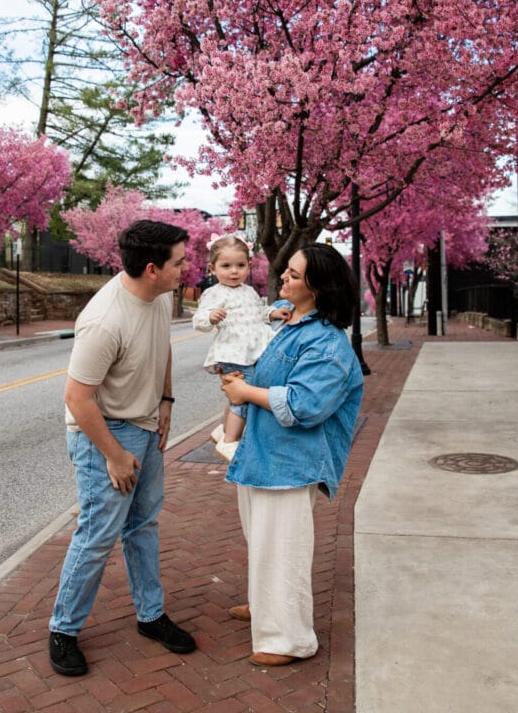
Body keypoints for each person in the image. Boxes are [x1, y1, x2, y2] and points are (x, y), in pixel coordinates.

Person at [48, 219, 197, 677]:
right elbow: (76, 397)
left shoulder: (160, 296)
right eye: (179, 261)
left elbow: (163, 348)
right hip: (105, 435)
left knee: (144, 525)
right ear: (152, 268)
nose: (186, 268)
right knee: (97, 534)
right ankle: (63, 630)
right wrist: (113, 454)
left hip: (147, 426)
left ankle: (150, 615)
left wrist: (166, 400)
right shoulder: (104, 320)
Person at [220, 243, 364, 667]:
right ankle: (265, 606)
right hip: (263, 455)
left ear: (318, 288)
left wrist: (245, 391)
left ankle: (289, 638)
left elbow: (305, 405)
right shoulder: (292, 324)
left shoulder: (327, 344)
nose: (283, 276)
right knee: (263, 541)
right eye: (287, 269)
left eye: (295, 274)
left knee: (283, 548)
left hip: (291, 462)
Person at [192, 234, 290, 460]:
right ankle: (229, 441)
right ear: (212, 268)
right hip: (233, 353)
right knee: (243, 397)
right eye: (226, 266)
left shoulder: (249, 291)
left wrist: (273, 313)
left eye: (240, 265)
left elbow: (258, 313)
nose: (234, 271)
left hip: (251, 352)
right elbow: (199, 320)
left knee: (237, 396)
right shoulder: (214, 293)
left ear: (249, 266)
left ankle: (223, 430)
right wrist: (211, 317)